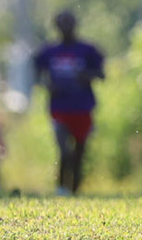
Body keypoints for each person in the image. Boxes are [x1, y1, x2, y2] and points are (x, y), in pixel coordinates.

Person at [33, 10, 105, 195]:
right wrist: (47, 85)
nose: (66, 27)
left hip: (82, 107)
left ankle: (75, 190)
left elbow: (101, 74)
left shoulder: (88, 50)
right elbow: (36, 74)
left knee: (79, 152)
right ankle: (61, 187)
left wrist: (86, 76)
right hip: (59, 107)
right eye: (62, 24)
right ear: (56, 27)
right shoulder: (49, 51)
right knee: (64, 149)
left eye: (69, 23)